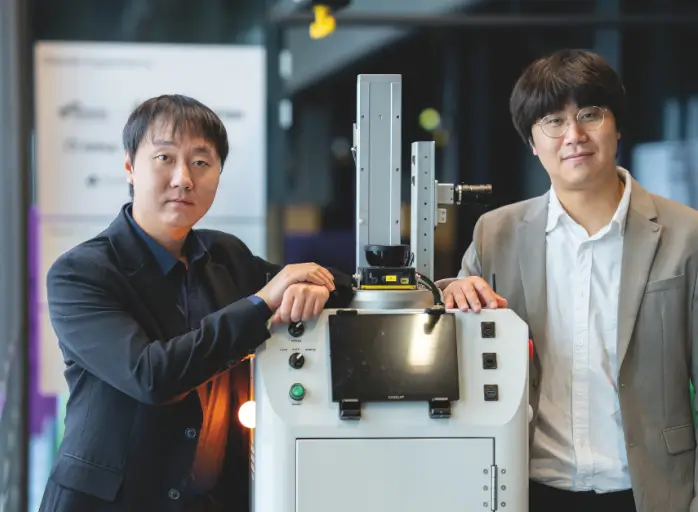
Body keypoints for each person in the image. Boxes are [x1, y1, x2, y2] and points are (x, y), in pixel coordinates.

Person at [38, 94, 354, 512]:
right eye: (164, 158)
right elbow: (151, 376)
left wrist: (317, 287)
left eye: (201, 162)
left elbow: (340, 284)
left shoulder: (225, 256)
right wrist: (262, 303)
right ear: (130, 167)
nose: (183, 178)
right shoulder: (81, 273)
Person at [437, 49, 698, 512]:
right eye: (553, 121)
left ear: (617, 126)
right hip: (529, 488)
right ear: (532, 142)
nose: (574, 135)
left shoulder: (686, 233)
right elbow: (455, 336)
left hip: (653, 492)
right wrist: (450, 292)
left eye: (590, 115)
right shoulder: (496, 234)